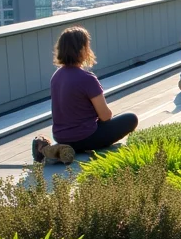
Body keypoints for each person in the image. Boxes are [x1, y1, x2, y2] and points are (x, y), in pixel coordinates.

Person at [34, 26, 139, 163]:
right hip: (86, 138)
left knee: (80, 133)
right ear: (82, 49)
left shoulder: (56, 76)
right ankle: (72, 149)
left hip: (60, 136)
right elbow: (105, 115)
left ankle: (60, 149)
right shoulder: (87, 78)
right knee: (131, 118)